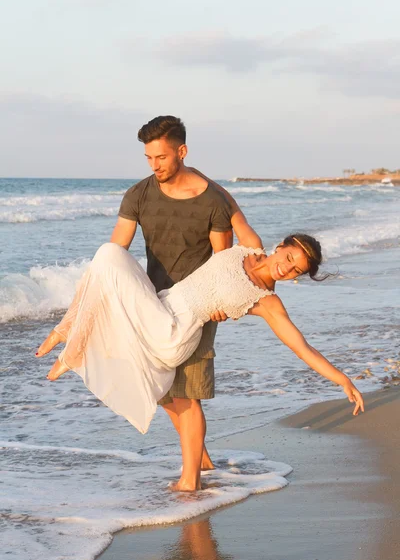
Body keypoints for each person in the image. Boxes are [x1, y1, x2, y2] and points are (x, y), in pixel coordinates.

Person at [37, 233, 365, 491]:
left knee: (109, 258)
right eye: (290, 257)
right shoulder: (245, 247)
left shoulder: (268, 301)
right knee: (110, 256)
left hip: (175, 331)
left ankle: (73, 342)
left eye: (297, 270)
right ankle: (70, 335)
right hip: (161, 305)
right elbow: (230, 205)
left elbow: (302, 347)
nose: (287, 268)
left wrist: (343, 380)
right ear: (280, 246)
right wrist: (188, 171)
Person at [108, 114, 257, 490]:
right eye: (148, 158)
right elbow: (117, 252)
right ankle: (200, 456)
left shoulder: (212, 200)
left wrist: (220, 302)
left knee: (187, 391)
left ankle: (190, 480)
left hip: (200, 304)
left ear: (182, 151)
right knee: (160, 388)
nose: (154, 165)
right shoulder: (138, 194)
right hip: (153, 301)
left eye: (161, 156)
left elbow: (222, 261)